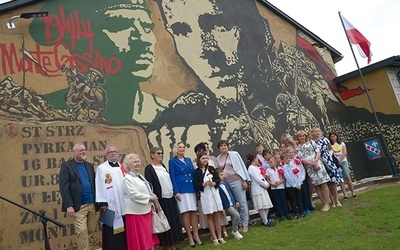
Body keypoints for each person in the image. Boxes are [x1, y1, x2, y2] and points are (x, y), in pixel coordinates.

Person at [144, 147, 184, 250]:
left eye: (162, 153)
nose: (160, 155)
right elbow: (150, 185)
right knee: (164, 222)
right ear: (152, 155)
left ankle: (172, 244)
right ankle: (166, 245)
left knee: (172, 221)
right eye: (158, 153)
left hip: (169, 198)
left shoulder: (162, 166)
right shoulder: (149, 168)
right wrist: (155, 202)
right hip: (160, 199)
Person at [59, 143, 97, 250]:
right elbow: (64, 187)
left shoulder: (89, 165)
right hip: (78, 206)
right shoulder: (67, 166)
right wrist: (69, 205)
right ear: (74, 152)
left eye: (84, 149)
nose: (83, 152)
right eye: (80, 150)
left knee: (91, 230)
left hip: (91, 204)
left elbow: (93, 184)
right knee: (82, 231)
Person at [168, 141, 202, 247]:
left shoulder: (188, 160)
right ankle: (190, 236)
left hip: (191, 188)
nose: (182, 149)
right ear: (175, 149)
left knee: (193, 212)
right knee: (185, 213)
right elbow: (172, 177)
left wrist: (196, 188)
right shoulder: (172, 161)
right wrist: (176, 191)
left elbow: (193, 174)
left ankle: (196, 235)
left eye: (183, 147)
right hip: (181, 189)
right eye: (180, 147)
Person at [122, 153, 159, 250]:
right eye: (134, 162)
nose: (137, 164)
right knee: (139, 239)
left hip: (145, 210)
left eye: (138, 161)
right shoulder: (127, 179)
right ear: (128, 165)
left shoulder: (139, 176)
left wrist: (152, 196)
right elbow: (134, 194)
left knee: (147, 236)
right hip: (135, 213)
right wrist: (149, 198)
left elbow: (146, 190)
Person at [95, 145, 127, 250]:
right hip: (110, 205)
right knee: (111, 229)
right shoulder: (102, 168)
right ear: (106, 155)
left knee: (125, 228)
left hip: (123, 203)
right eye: (110, 152)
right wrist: (102, 203)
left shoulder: (123, 167)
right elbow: (99, 185)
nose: (113, 153)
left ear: (118, 154)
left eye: (115, 151)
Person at [216, 139, 251, 232]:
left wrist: (245, 180)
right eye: (221, 146)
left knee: (242, 203)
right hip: (226, 184)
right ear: (219, 148)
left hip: (237, 181)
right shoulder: (218, 159)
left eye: (225, 145)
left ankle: (245, 224)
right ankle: (238, 224)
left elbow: (242, 166)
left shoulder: (234, 154)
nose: (224, 147)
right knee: (233, 205)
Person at [194, 151, 226, 245]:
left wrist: (214, 183)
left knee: (216, 215)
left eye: (206, 158)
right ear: (199, 160)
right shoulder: (197, 172)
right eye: (203, 158)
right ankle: (214, 237)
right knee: (209, 215)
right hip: (205, 195)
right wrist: (204, 184)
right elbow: (196, 184)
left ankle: (220, 236)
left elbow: (217, 179)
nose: (205, 160)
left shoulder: (211, 168)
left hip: (214, 193)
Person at [296, 130, 331, 212]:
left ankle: (327, 203)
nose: (302, 137)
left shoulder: (311, 142)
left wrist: (315, 162)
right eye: (300, 136)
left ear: (306, 136)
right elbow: (302, 159)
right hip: (310, 167)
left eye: (303, 135)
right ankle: (324, 204)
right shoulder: (298, 148)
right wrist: (312, 164)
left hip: (318, 164)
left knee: (324, 183)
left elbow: (318, 152)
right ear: (297, 138)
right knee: (317, 186)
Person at [311, 127, 344, 207]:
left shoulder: (325, 140)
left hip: (329, 161)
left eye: (318, 131)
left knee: (333, 182)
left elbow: (330, 148)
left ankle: (337, 200)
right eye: (315, 131)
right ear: (312, 133)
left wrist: (329, 156)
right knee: (326, 183)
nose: (317, 132)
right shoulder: (312, 143)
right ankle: (332, 201)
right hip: (320, 162)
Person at [246, 153, 275, 227]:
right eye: (256, 158)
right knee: (261, 206)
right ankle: (265, 221)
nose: (258, 160)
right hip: (257, 189)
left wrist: (266, 184)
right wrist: (265, 184)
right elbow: (257, 179)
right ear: (254, 159)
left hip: (262, 187)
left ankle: (265, 220)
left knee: (266, 205)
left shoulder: (256, 167)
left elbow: (261, 177)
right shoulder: (251, 168)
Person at [329, 132, 357, 199]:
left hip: (343, 161)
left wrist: (340, 160)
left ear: (336, 136)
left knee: (347, 177)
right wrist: (336, 161)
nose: (333, 138)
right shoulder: (330, 145)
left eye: (334, 136)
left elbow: (345, 152)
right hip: (336, 163)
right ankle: (345, 195)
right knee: (341, 179)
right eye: (332, 137)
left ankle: (353, 193)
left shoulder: (341, 143)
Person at [216, 168, 243, 240]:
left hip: (232, 202)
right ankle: (235, 231)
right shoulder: (217, 186)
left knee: (234, 216)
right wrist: (222, 208)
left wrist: (236, 200)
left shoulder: (225, 183)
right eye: (221, 175)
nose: (223, 176)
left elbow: (231, 191)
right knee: (237, 215)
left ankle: (235, 231)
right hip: (227, 205)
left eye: (223, 174)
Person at [282, 148, 306, 218]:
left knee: (299, 198)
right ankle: (295, 213)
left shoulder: (295, 163)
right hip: (291, 185)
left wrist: (299, 182)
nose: (288, 159)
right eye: (286, 158)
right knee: (293, 199)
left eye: (288, 158)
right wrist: (294, 185)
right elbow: (287, 176)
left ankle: (302, 211)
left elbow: (299, 172)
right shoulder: (284, 167)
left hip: (298, 184)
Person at [266, 156, 291, 222]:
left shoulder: (280, 168)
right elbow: (267, 179)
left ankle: (287, 213)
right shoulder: (268, 170)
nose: (270, 164)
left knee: (283, 201)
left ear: (275, 162)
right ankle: (281, 215)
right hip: (274, 188)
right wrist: (272, 184)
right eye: (269, 162)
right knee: (278, 202)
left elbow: (284, 178)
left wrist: (280, 182)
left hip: (281, 187)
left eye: (271, 162)